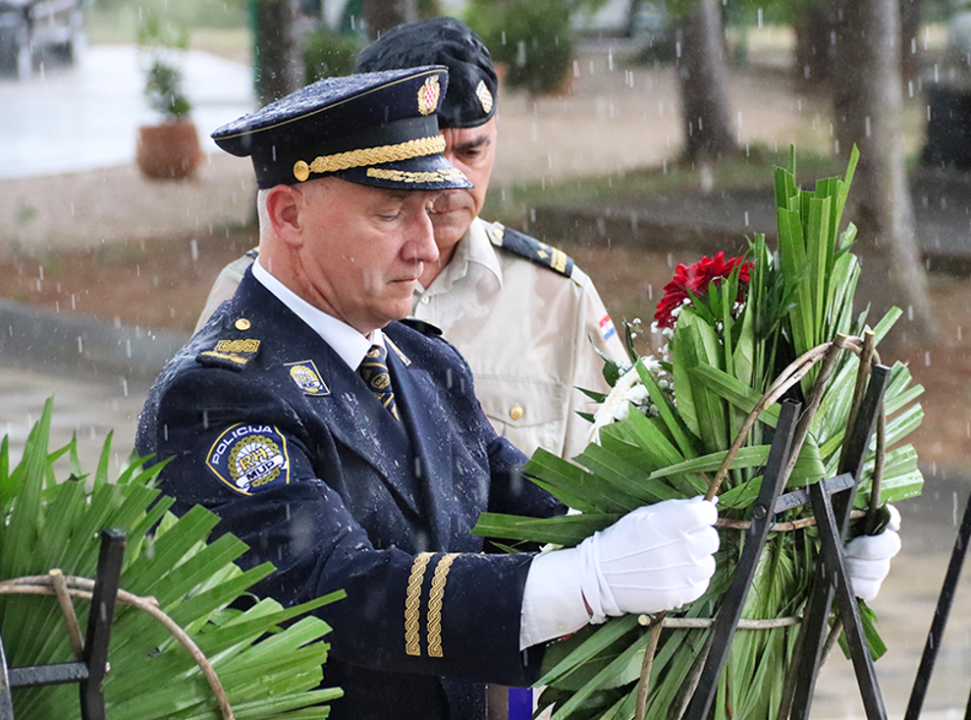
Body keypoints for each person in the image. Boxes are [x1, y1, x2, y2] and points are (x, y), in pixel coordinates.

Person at [139, 68, 900, 720]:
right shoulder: (218, 396)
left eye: (428, 211)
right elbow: (336, 595)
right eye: (389, 213)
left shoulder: (423, 364)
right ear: (287, 214)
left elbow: (547, 518)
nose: (424, 245)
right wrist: (583, 582)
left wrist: (780, 549)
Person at [194, 17, 627, 462]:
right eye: (431, 158)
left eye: (472, 151)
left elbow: (618, 472)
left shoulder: (557, 295)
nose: (452, 181)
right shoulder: (263, 290)